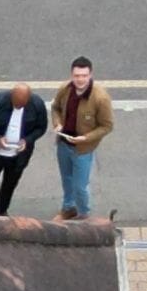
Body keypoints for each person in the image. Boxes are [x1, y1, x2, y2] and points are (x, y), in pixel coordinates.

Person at [50, 57, 114, 221]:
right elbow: (55, 108)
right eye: (77, 75)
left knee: (80, 186)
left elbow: (107, 126)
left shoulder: (100, 98)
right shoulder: (65, 89)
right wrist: (57, 123)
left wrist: (86, 138)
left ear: (90, 75)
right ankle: (68, 208)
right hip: (64, 144)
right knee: (67, 180)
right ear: (71, 75)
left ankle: (84, 214)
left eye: (84, 76)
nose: (80, 80)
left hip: (83, 149)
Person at [0, 83, 50, 215]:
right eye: (16, 104)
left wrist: (27, 140)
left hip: (18, 156)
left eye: (22, 105)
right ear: (11, 96)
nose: (18, 107)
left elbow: (41, 128)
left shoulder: (37, 105)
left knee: (9, 185)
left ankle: (2, 211)